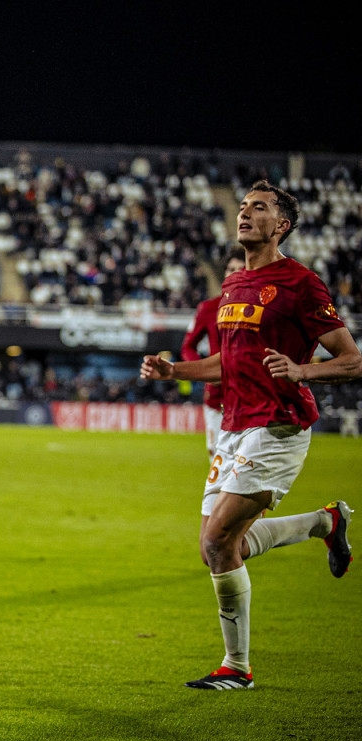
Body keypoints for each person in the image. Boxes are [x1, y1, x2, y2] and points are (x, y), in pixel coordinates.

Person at [140, 180, 361, 691]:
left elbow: (352, 361)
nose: (244, 214)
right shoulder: (235, 286)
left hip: (278, 426)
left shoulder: (301, 284)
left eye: (257, 208)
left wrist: (302, 372)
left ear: (280, 226)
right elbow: (226, 363)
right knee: (214, 546)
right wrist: (175, 372)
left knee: (220, 539)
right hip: (233, 430)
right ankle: (323, 523)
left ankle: (236, 668)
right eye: (241, 206)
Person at [181, 247, 246, 460]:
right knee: (217, 467)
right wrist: (202, 370)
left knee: (247, 469)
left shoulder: (261, 309)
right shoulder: (209, 308)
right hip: (216, 398)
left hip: (250, 398)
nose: (234, 273)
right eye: (230, 269)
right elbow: (188, 347)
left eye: (240, 268)